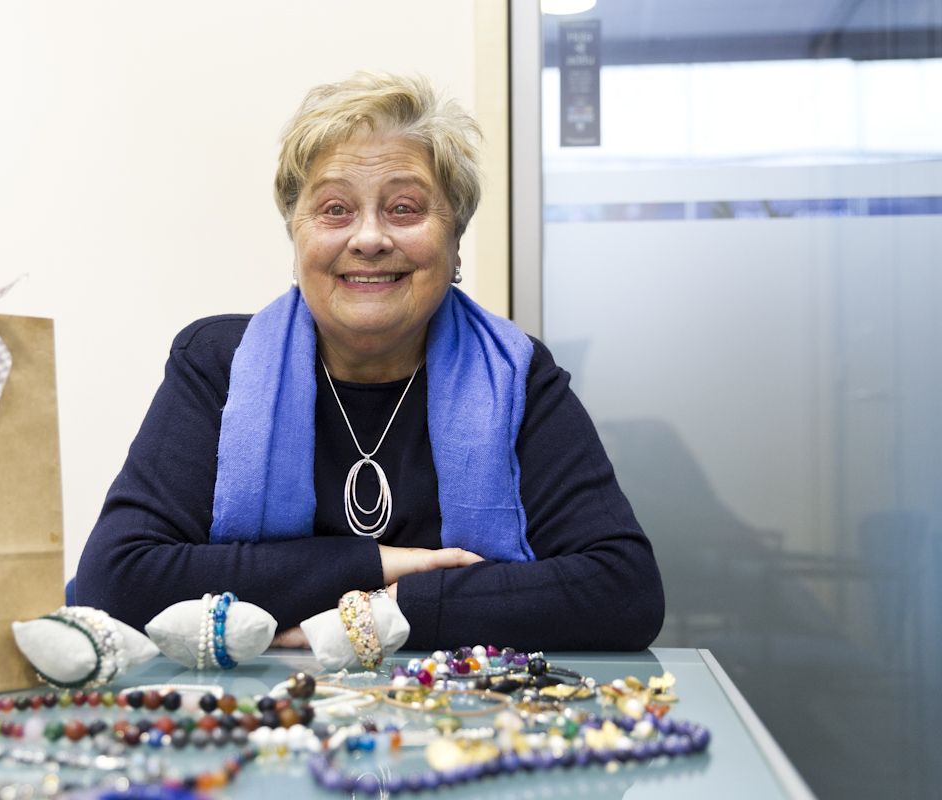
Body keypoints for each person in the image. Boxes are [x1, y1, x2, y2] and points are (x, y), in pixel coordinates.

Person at [75, 72, 663, 651]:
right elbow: (118, 579)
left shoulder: (516, 375)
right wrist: (377, 564)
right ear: (297, 238)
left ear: (455, 243)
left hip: (457, 726)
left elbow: (622, 589)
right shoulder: (216, 364)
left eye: (405, 208)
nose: (369, 237)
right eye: (335, 209)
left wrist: (382, 614)